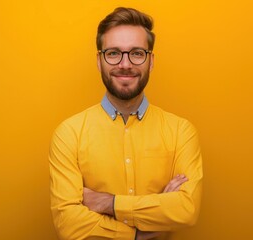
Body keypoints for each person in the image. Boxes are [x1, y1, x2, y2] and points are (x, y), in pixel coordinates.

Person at [49, 7, 203, 240]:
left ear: (150, 61)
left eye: (137, 53)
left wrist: (109, 203)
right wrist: (138, 233)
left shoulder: (181, 132)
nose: (125, 64)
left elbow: (186, 210)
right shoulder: (68, 134)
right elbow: (68, 224)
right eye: (113, 53)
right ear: (99, 61)